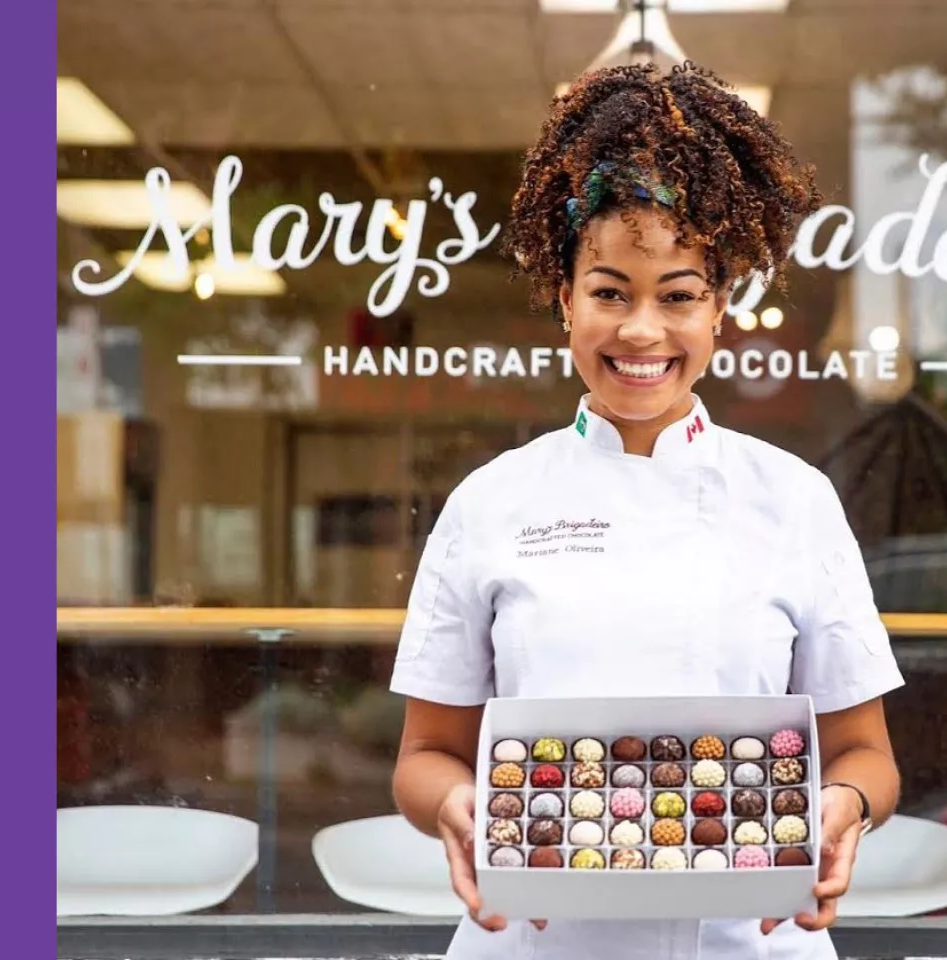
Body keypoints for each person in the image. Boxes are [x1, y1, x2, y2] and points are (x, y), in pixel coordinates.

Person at [388, 63, 906, 960]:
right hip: (536, 940)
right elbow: (424, 756)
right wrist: (456, 806)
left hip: (751, 941)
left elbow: (867, 754)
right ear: (566, 301)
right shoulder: (490, 503)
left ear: (718, 310)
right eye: (609, 292)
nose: (640, 330)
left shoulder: (794, 499)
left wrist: (843, 806)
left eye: (677, 295)